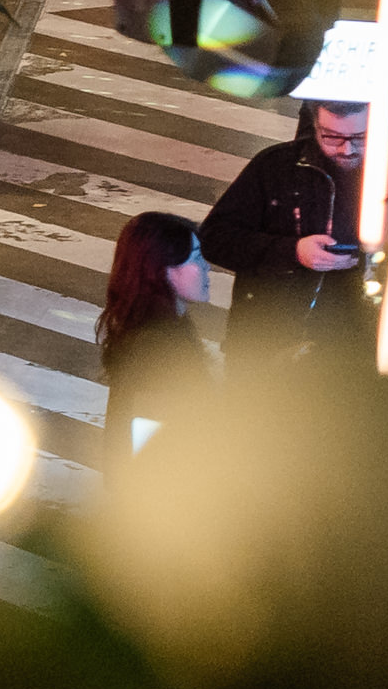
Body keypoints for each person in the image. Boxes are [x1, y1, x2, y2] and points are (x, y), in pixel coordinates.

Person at [200, 96, 370, 361]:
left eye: (361, 137)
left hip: (361, 349)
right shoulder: (276, 168)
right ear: (314, 126)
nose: (346, 149)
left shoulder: (387, 176)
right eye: (332, 137)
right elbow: (215, 238)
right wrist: (294, 252)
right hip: (273, 344)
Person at [97, 209, 217, 454]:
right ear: (161, 270)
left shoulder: (161, 326)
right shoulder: (156, 349)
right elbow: (152, 445)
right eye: (195, 257)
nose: (207, 267)